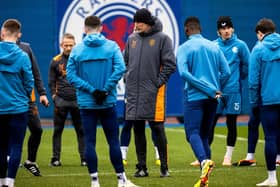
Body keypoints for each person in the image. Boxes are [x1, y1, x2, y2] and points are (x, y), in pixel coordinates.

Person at [66, 15, 138, 187]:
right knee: (113, 140)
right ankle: (121, 180)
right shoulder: (112, 46)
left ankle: (95, 181)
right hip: (107, 102)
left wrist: (92, 90)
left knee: (89, 141)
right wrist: (105, 89)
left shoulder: (77, 50)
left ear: (85, 29)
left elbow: (71, 76)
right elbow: (120, 68)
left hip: (86, 103)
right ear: (101, 28)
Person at [177, 16, 230, 187]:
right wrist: (215, 88)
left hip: (194, 96)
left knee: (192, 132)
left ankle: (203, 161)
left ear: (186, 30)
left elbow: (184, 73)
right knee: (204, 136)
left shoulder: (184, 47)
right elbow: (227, 72)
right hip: (213, 97)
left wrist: (207, 88)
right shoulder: (213, 46)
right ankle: (205, 179)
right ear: (200, 29)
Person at [124, 8, 176, 178]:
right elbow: (125, 62)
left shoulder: (163, 39)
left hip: (154, 94)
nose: (136, 25)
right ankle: (141, 167)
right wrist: (127, 78)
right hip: (133, 94)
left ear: (148, 23)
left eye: (140, 22)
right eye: (135, 21)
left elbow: (170, 65)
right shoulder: (131, 39)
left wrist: (157, 83)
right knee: (137, 130)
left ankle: (164, 167)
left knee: (158, 130)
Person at [207, 16, 250, 166]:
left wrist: (238, 79)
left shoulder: (241, 45)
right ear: (218, 31)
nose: (226, 31)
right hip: (217, 91)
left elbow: (247, 65)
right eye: (223, 29)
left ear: (232, 29)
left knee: (231, 123)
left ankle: (228, 157)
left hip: (233, 91)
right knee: (211, 122)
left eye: (228, 28)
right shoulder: (213, 46)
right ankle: (206, 156)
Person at [0, 18, 34, 187]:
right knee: (15, 147)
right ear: (18, 35)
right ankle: (10, 182)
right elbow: (29, 83)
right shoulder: (23, 56)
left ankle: (1, 182)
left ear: (2, 33)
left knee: (1, 147)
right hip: (19, 108)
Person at [249, 18, 280, 186]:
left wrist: (254, 103)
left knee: (271, 138)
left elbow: (253, 81)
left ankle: (272, 178)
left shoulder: (258, 49)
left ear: (260, 33)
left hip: (268, 101)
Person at [48, 33, 86, 167]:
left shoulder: (80, 60)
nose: (68, 48)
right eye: (66, 45)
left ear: (75, 45)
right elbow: (51, 82)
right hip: (61, 101)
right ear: (61, 45)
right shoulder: (55, 61)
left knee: (81, 130)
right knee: (58, 130)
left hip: (77, 101)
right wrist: (54, 97)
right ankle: (55, 158)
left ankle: (84, 159)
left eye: (71, 45)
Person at [16, 33, 50, 177]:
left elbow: (35, 72)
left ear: (19, 34)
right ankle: (12, 160)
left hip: (28, 100)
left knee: (37, 130)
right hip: (9, 99)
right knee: (14, 133)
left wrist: (42, 93)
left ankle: (30, 161)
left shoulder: (26, 48)